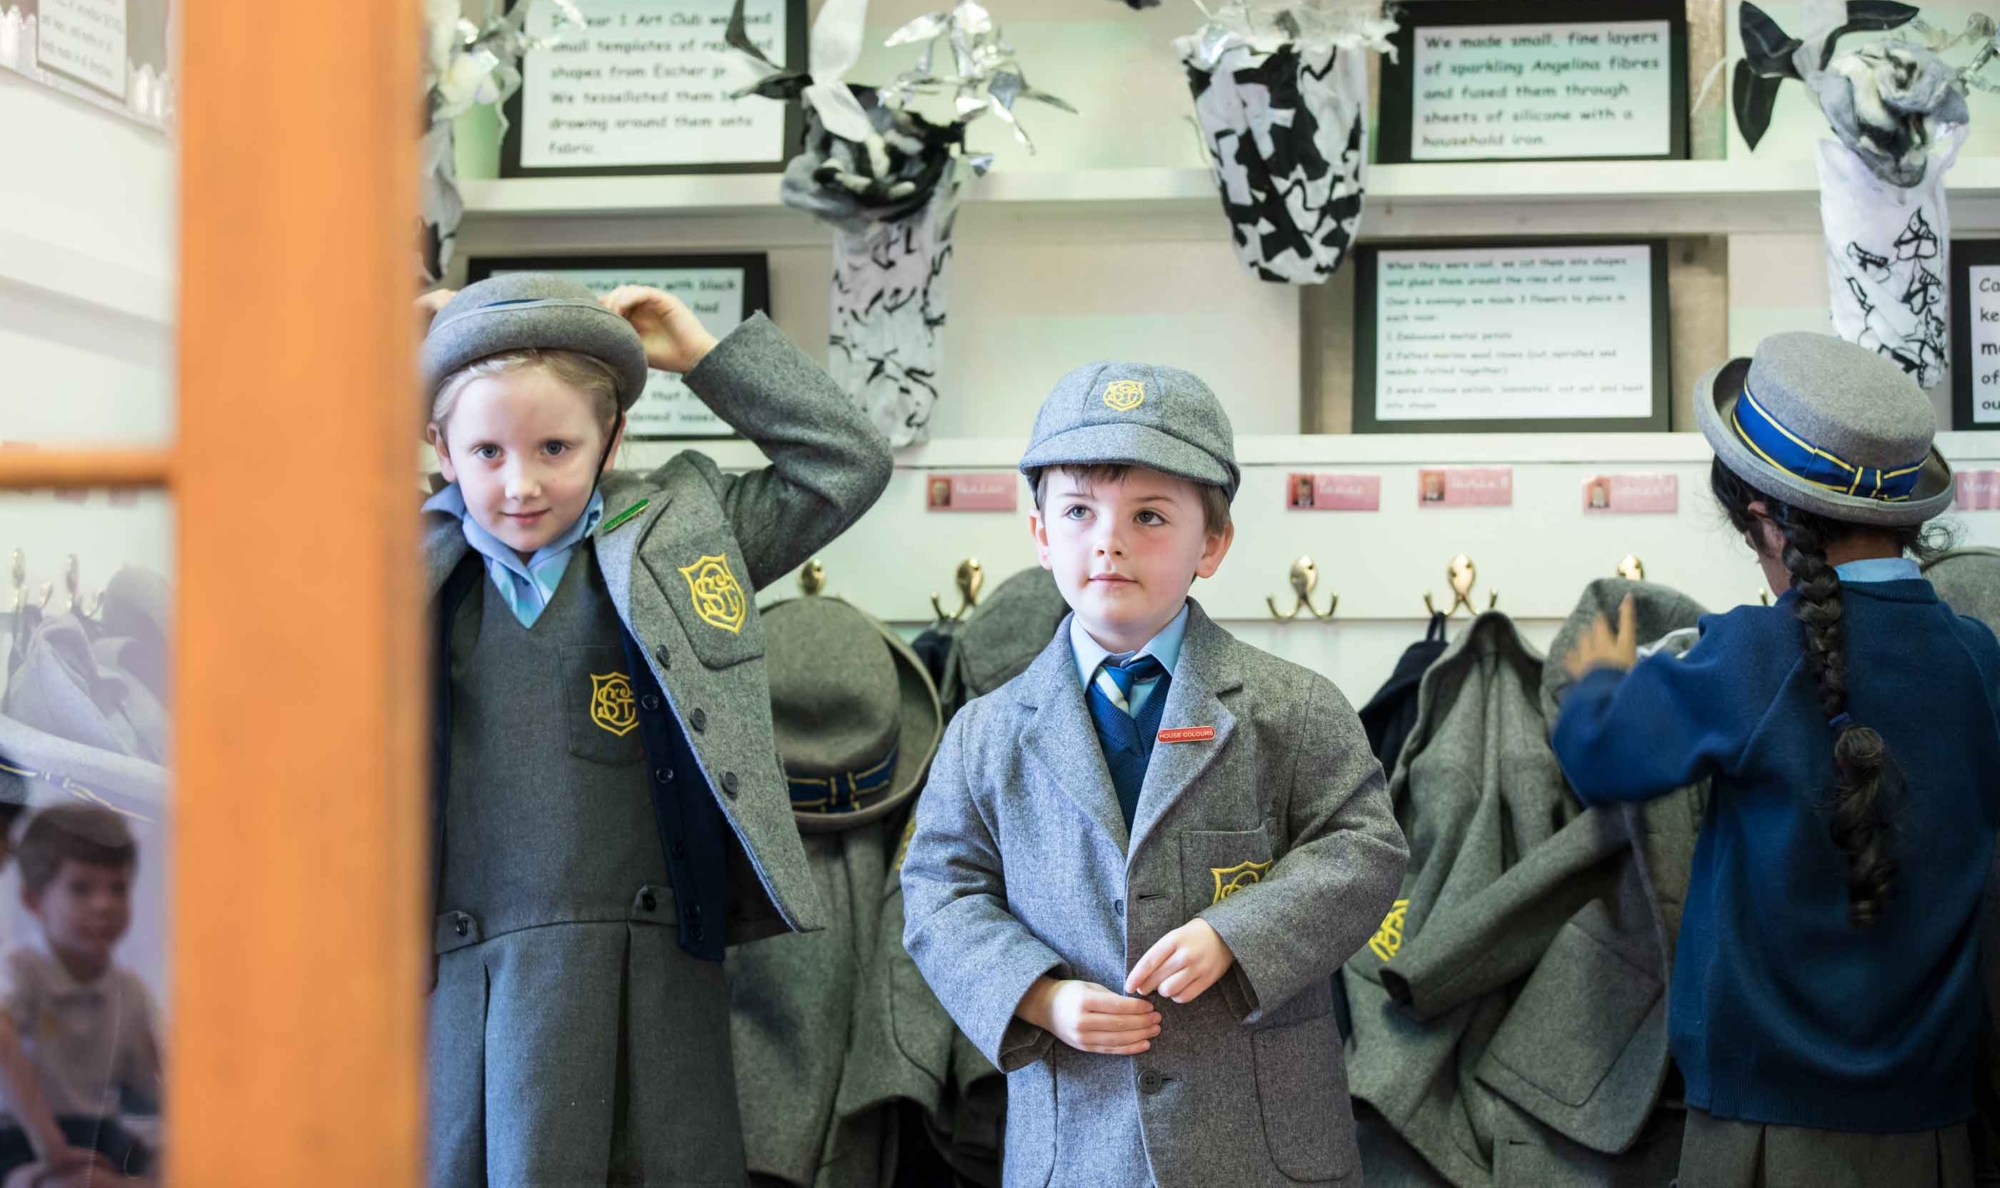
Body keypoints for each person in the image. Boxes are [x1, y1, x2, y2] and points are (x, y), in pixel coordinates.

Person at [418, 274, 892, 1186]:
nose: (520, 484)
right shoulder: (392, 558)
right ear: (440, 447)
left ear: (613, 439)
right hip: (466, 974)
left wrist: (706, 355)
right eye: (486, 451)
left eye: (556, 446)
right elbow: (259, 528)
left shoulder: (684, 533)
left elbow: (849, 463)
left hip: (655, 964)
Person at [900, 361, 1407, 1186]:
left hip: (1265, 1150)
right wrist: (1038, 997)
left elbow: (1364, 850)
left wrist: (1235, 935)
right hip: (1075, 1147)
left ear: (1212, 542)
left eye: (1149, 515)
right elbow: (938, 891)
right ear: (1039, 535)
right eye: (1077, 512)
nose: (1109, 540)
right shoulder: (982, 734)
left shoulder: (1296, 708)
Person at [1552, 332, 1999, 1188]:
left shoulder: (1747, 658)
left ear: (1764, 520)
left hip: (1761, 1132)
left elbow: (1599, 756)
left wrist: (1599, 677)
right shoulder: (1978, 660)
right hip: (1936, 1130)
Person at [0, 806, 159, 1185]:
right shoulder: (19, 971)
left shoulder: (128, 990)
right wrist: (52, 1151)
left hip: (98, 1133)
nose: (104, 905)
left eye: (117, 888)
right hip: (22, 1134)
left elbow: (156, 1081)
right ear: (34, 901)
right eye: (81, 888)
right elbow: (5, 1053)